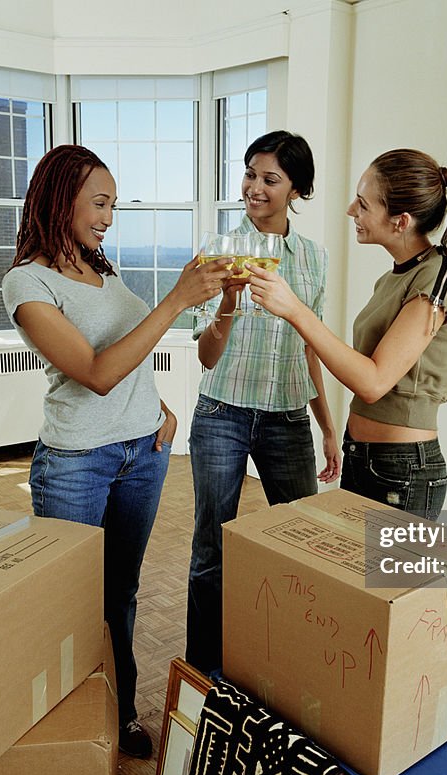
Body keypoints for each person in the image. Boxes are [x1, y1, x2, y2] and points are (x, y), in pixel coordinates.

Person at [1, 144, 226, 758]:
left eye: (112, 206)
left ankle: (119, 713)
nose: (107, 216)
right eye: (99, 203)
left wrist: (160, 409)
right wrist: (177, 299)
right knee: (67, 599)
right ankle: (61, 724)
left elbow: (130, 360)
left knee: (118, 593)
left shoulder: (105, 269)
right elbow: (96, 373)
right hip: (77, 461)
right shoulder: (26, 281)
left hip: (143, 453)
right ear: (60, 198)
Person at [247, 148, 447, 519]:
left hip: (402, 472)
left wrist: (295, 310)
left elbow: (373, 381)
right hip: (363, 458)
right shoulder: (395, 277)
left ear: (400, 221)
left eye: (362, 204)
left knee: (383, 580)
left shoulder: (438, 277)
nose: (351, 211)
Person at [186, 131, 340, 675]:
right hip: (220, 416)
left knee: (303, 545)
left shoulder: (314, 260)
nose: (254, 187)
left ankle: (296, 664)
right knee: (211, 551)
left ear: (297, 188)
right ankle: (203, 674)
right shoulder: (216, 253)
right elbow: (206, 357)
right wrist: (226, 300)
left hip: (287, 419)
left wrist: (327, 427)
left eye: (270, 179)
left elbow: (311, 348)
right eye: (250, 173)